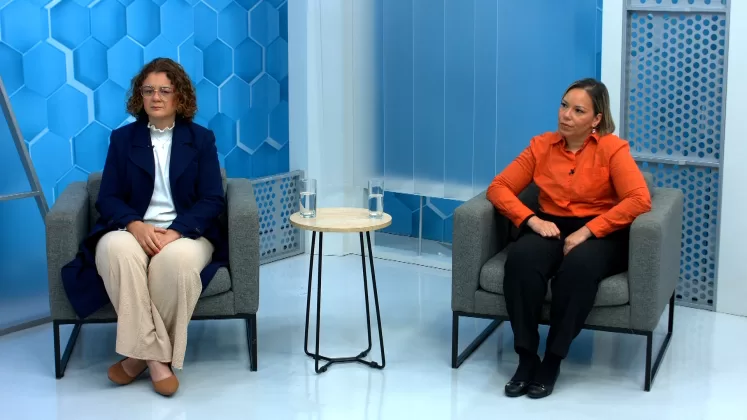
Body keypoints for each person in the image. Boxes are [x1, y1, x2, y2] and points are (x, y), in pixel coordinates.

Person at [61, 58, 228, 396]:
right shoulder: (123, 139)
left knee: (176, 262)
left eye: (165, 90)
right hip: (132, 230)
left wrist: (177, 231)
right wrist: (135, 225)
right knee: (114, 250)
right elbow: (107, 197)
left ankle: (136, 358)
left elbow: (212, 199)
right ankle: (156, 361)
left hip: (187, 233)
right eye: (149, 90)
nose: (156, 97)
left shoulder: (201, 139)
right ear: (140, 96)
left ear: (180, 97)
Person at [486, 78, 652, 399]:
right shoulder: (541, 146)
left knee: (578, 270)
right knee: (521, 261)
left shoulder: (612, 149)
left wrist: (588, 230)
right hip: (549, 224)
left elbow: (639, 199)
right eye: (564, 106)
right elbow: (499, 187)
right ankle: (526, 357)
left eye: (578, 110)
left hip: (599, 231)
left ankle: (552, 360)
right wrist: (531, 220)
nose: (566, 115)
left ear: (596, 119)